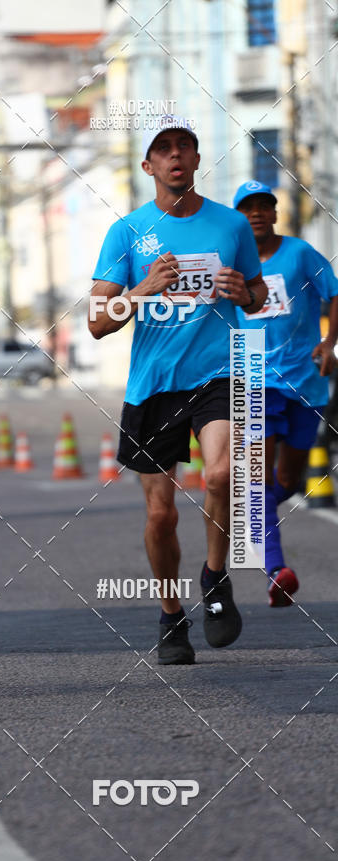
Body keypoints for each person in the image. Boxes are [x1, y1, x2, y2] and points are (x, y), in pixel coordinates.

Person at [89, 115, 267, 665]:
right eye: (163, 149)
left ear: (195, 159)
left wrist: (244, 293)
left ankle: (215, 577)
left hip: (220, 372)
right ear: (148, 165)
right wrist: (143, 288)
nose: (174, 156)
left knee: (221, 474)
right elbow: (97, 320)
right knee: (161, 515)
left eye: (183, 146)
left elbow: (259, 293)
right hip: (155, 384)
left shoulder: (230, 226)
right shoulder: (128, 232)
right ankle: (170, 615)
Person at [233, 180, 338, 605]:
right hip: (253, 381)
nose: (256, 213)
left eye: (264, 206)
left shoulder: (300, 254)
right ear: (238, 219)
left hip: (305, 380)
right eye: (248, 208)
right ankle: (276, 570)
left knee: (289, 481)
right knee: (258, 480)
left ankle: (251, 516)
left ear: (275, 214)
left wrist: (329, 343)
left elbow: (335, 293)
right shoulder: (230, 264)